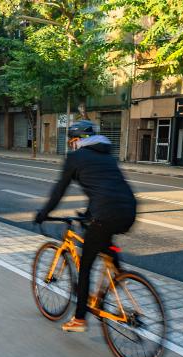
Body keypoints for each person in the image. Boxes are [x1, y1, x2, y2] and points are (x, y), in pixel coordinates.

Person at [34, 120, 137, 333]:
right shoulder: (107, 156)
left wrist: (44, 213)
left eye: (72, 140)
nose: (71, 145)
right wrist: (89, 214)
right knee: (104, 242)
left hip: (105, 214)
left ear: (79, 140)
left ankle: (79, 319)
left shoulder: (75, 158)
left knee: (85, 267)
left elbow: (59, 190)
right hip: (128, 211)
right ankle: (119, 276)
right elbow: (105, 189)